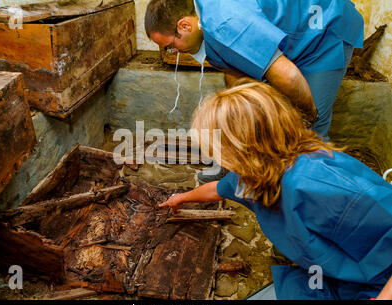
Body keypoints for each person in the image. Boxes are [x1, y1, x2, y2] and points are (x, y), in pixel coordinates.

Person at [159, 78, 392, 300]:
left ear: (243, 149)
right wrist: (181, 198)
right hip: (330, 274)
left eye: (218, 152)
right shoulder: (253, 173)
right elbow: (218, 189)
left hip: (374, 284)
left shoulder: (319, 184)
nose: (217, 159)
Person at [145, 0, 364, 183]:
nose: (171, 52)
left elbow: (288, 76)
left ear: (184, 26)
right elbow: (234, 68)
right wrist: (236, 109)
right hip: (294, 34)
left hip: (325, 32)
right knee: (244, 108)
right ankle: (235, 166)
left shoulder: (225, 22)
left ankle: (315, 196)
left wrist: (310, 114)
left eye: (170, 46)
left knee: (310, 135)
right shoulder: (204, 24)